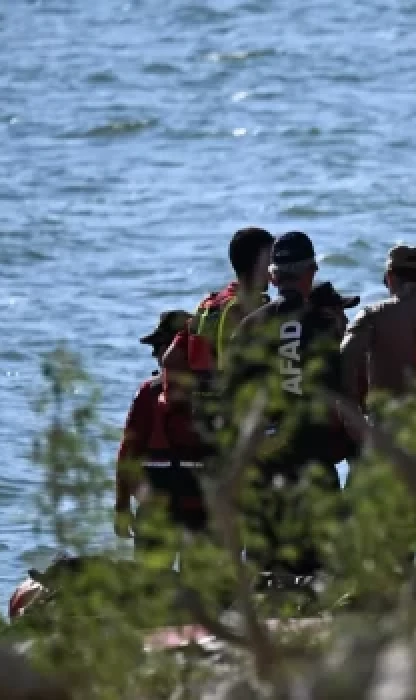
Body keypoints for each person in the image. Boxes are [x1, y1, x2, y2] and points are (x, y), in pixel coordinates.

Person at [226, 231, 358, 576]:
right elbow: (339, 391)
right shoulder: (323, 325)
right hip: (312, 454)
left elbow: (231, 401)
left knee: (266, 563)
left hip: (265, 458)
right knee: (325, 563)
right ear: (311, 272)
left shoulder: (250, 326)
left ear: (273, 276)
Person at [162, 227, 275, 441]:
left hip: (203, 419)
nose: (273, 267)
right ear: (257, 262)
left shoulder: (209, 305)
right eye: (270, 258)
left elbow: (171, 359)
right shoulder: (247, 308)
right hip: (237, 422)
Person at [115, 309, 206, 565]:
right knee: (203, 591)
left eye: (158, 346)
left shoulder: (150, 391)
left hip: (157, 505)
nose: (154, 354)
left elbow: (128, 451)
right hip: (201, 505)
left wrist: (122, 506)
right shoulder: (214, 391)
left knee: (152, 590)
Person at [340, 245, 416, 411]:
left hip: (387, 419)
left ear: (389, 277)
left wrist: (352, 412)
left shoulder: (373, 314)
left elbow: (345, 357)